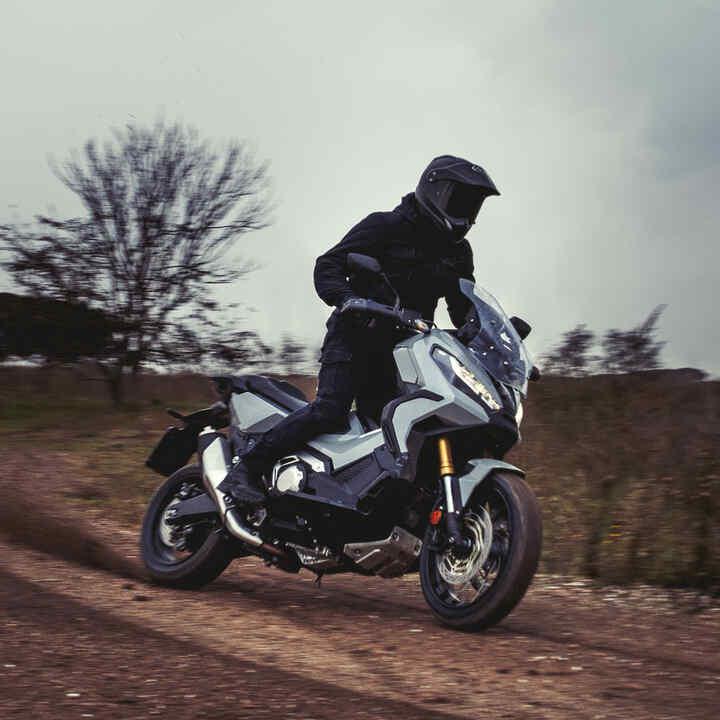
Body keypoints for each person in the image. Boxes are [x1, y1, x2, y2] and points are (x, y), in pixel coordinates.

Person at [219, 155, 500, 505]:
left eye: (473, 206)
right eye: (460, 201)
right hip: (356, 335)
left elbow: (463, 307)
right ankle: (246, 469)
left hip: (406, 351)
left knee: (393, 433)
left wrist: (488, 334)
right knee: (331, 411)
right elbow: (329, 265)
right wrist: (349, 298)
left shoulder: (458, 253)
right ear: (434, 192)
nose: (466, 214)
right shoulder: (386, 226)